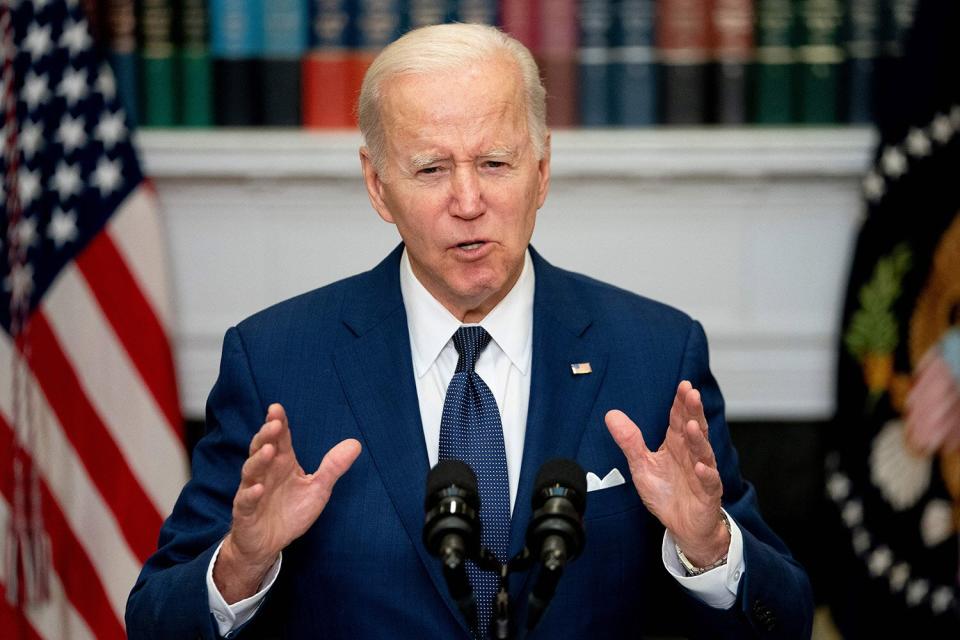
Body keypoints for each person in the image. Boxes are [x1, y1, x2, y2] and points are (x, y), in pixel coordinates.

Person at [126, 23, 813, 639]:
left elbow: (786, 618)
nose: (468, 202)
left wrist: (710, 548)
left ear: (541, 172)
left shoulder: (656, 355)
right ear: (377, 186)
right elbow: (155, 621)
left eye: (494, 163)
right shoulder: (277, 361)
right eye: (431, 168)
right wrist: (243, 565)